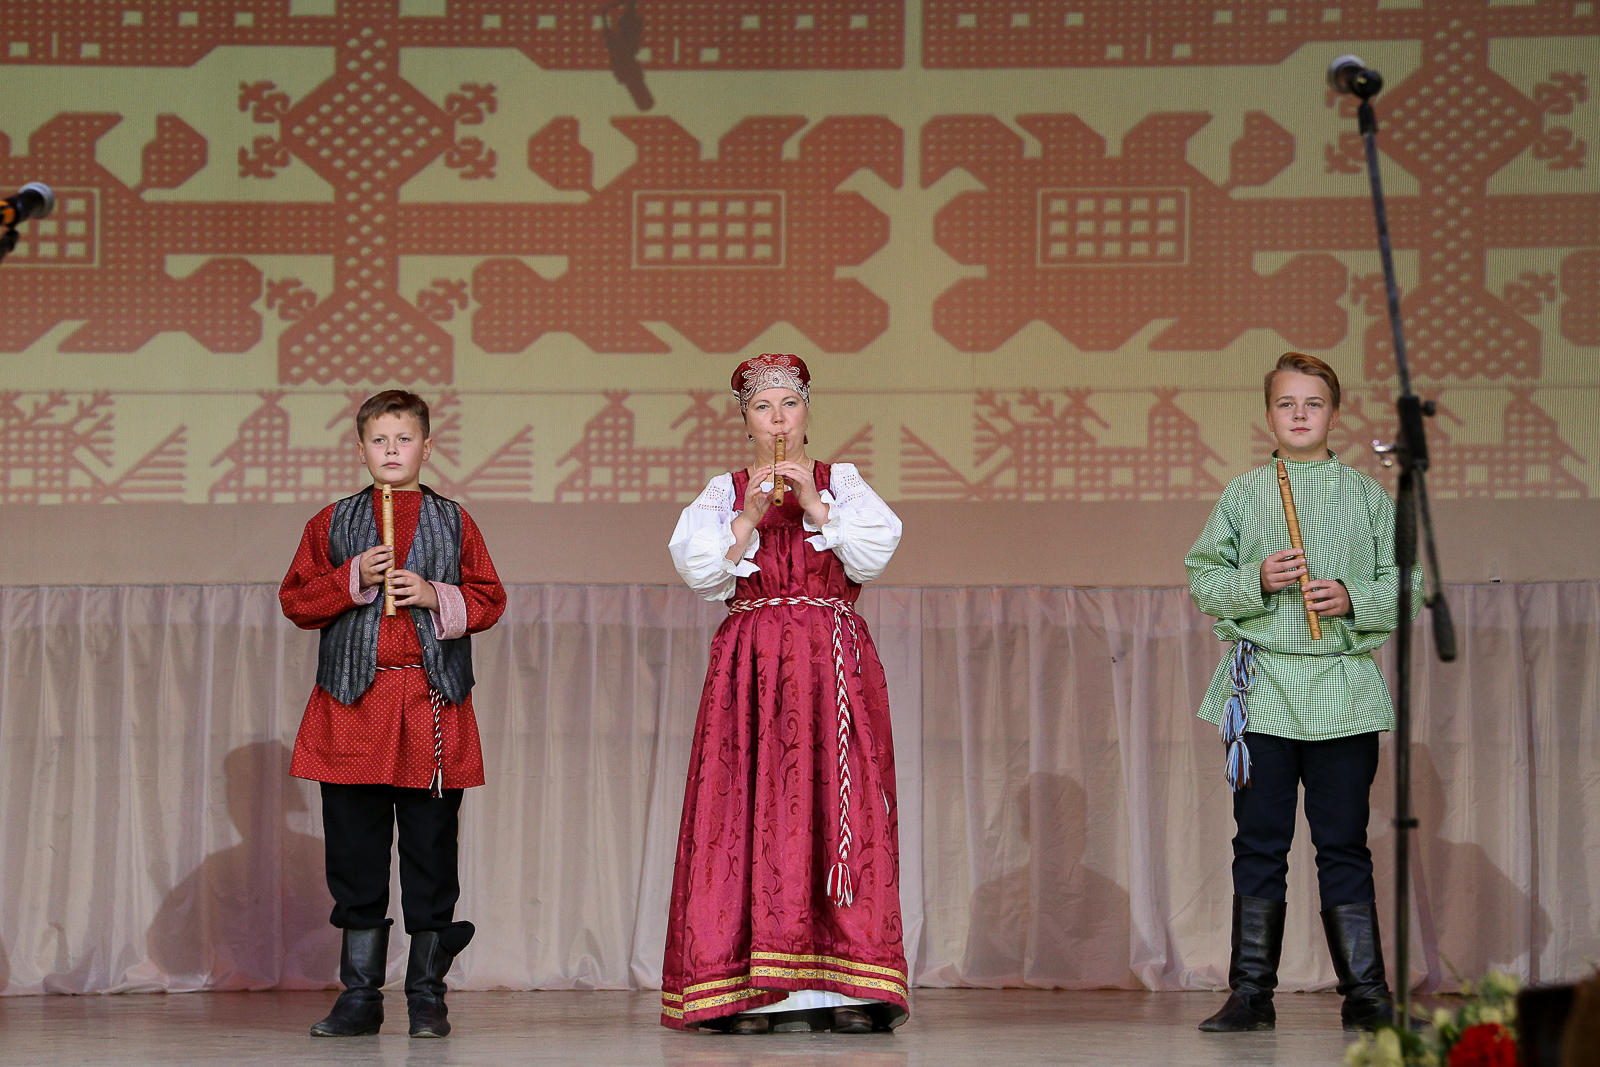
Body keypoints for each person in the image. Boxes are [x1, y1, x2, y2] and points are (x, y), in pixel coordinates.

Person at [661, 353, 909, 1035]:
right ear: (746, 421)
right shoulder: (723, 492)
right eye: (762, 408)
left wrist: (814, 506)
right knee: (747, 808)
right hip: (753, 666)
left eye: (788, 405)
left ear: (806, 412)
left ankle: (848, 985)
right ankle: (749, 990)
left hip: (830, 663)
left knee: (839, 807)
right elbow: (702, 573)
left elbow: (873, 553)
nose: (777, 419)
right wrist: (747, 515)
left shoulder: (840, 483)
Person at [1186, 353, 1421, 1034]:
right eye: (1286, 403)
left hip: (1341, 689)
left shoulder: (1367, 496)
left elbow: (1409, 583)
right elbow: (1203, 577)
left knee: (1343, 843)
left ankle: (1366, 994)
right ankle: (1251, 994)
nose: (1299, 414)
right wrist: (1256, 579)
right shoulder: (1243, 493)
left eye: (1313, 403)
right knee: (1259, 843)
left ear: (1334, 414)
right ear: (1269, 416)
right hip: (1263, 688)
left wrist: (1352, 596)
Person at [280, 390, 506, 1039]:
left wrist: (433, 594)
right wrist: (351, 577)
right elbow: (296, 601)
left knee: (431, 855)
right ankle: (360, 997)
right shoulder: (331, 521)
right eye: (379, 440)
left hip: (429, 705)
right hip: (353, 706)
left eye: (404, 439)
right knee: (355, 854)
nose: (391, 450)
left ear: (426, 447)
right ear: (360, 449)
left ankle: (427, 996)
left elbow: (490, 600)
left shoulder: (454, 520)